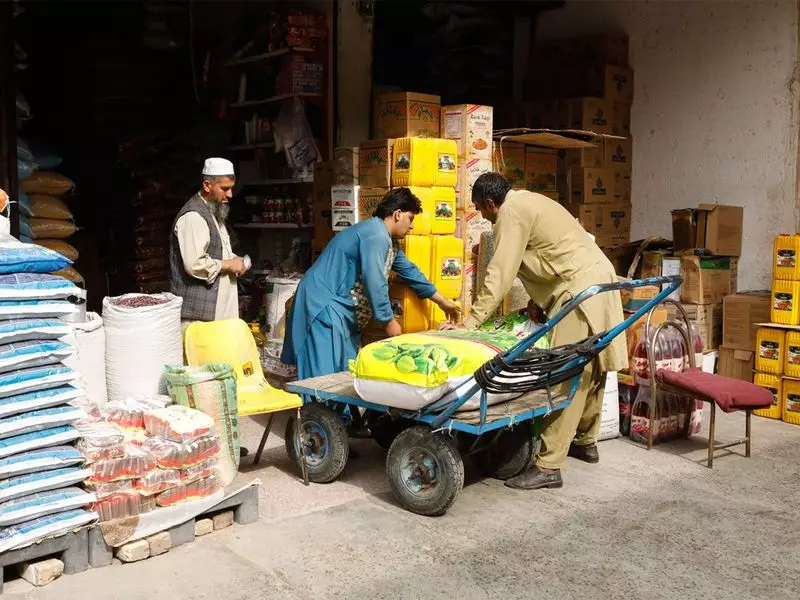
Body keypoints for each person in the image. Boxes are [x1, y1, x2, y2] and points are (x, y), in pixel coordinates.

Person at [460, 172, 626, 490]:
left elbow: (501, 272)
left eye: (480, 210)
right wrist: (540, 302)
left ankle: (549, 466)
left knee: (568, 372)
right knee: (593, 365)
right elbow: (547, 255)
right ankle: (585, 441)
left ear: (491, 203)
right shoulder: (529, 200)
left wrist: (472, 322)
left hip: (579, 288)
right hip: (598, 277)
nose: (482, 217)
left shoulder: (510, 212)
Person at [281, 187, 461, 380]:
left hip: (342, 311)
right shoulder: (376, 234)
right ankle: (314, 411)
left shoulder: (390, 242)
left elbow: (411, 273)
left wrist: (442, 301)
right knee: (322, 379)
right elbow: (374, 281)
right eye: (411, 218)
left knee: (345, 375)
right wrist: (388, 320)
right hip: (322, 304)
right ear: (398, 214)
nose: (412, 227)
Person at [169, 158, 250, 331]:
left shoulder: (214, 211)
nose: (230, 195)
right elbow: (194, 264)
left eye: (231, 188)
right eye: (224, 189)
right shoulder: (194, 216)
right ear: (207, 185)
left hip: (218, 312)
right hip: (200, 318)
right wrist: (228, 264)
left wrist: (234, 260)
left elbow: (216, 252)